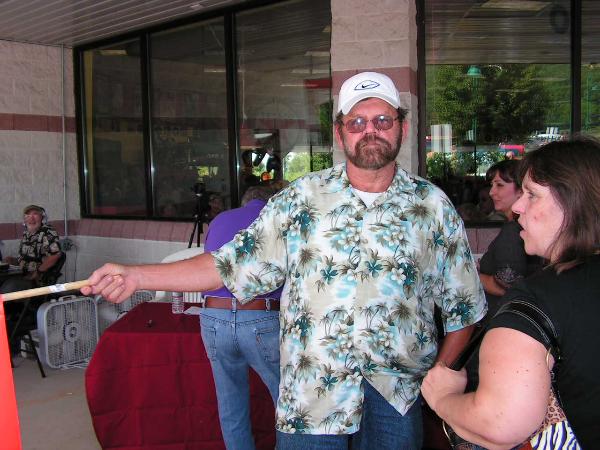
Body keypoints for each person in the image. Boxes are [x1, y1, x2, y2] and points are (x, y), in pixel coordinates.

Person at [82, 71, 486, 450]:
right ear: (339, 132)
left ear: (402, 127)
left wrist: (438, 376)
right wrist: (136, 275)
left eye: (382, 120)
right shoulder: (300, 200)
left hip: (396, 396)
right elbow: (226, 265)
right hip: (312, 398)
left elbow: (464, 306)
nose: (370, 131)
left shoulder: (432, 206)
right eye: (357, 122)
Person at [421, 137, 600, 448]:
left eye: (532, 195)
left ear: (573, 202)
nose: (518, 207)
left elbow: (499, 422)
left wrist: (442, 398)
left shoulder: (537, 301)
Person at [200, 183, 285, 450]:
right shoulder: (277, 220)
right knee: (288, 402)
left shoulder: (220, 220)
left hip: (213, 316)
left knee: (231, 404)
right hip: (260, 316)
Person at [478, 160, 541, 319]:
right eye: (492, 185)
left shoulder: (513, 230)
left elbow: (507, 285)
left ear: (521, 191)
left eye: (499, 185)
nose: (491, 192)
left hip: (505, 317)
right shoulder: (518, 228)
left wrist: (471, 275)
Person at [1, 204, 61, 294]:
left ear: (42, 217)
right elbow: (28, 258)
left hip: (35, 280)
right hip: (22, 274)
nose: (31, 219)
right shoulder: (27, 233)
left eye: (35, 214)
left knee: (6, 289)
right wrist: (13, 261)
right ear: (24, 219)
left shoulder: (47, 232)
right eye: (28, 215)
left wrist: (38, 272)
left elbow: (55, 256)